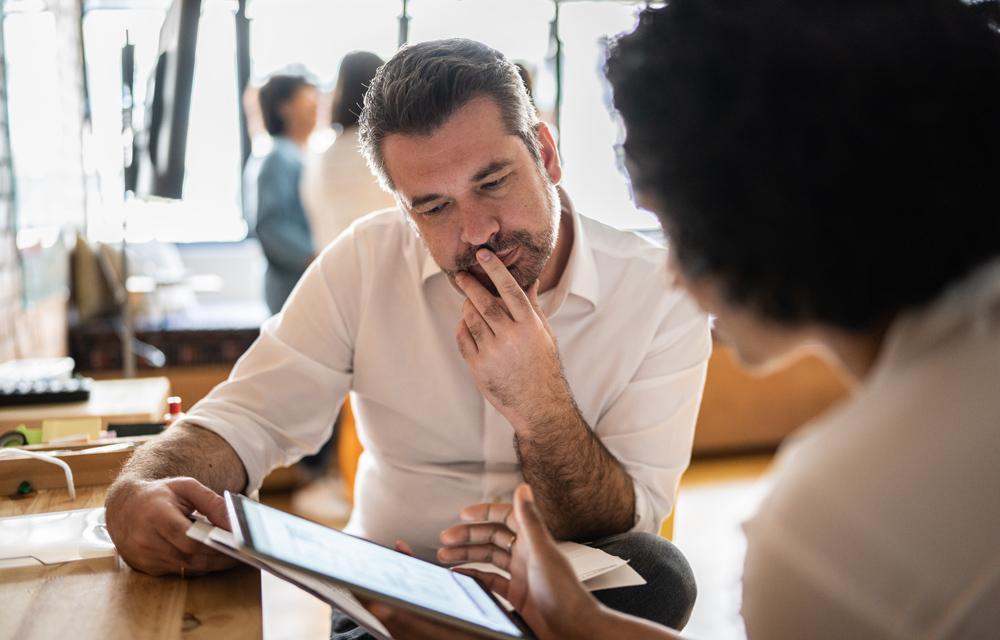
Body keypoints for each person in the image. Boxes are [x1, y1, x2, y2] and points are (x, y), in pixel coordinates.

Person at [364, 1, 1000, 638]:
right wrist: (582, 622)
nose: (674, 275)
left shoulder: (832, 530)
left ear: (769, 212)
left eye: (678, 230)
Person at [103, 38, 712, 635]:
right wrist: (138, 488)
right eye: (435, 208)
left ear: (546, 154)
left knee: (661, 572)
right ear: (402, 206)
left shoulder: (659, 291)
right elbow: (244, 420)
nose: (476, 233)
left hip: (563, 582)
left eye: (493, 181)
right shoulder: (364, 262)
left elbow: (628, 516)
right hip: (399, 577)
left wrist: (540, 402)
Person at [301, 51, 394, 251]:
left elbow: (315, 215)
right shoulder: (387, 149)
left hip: (334, 263)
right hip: (387, 261)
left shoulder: (321, 154)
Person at [254, 73, 319, 314]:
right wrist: (315, 257)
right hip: (291, 286)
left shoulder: (300, 155)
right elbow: (271, 226)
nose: (316, 105)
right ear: (284, 108)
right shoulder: (277, 158)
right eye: (308, 98)